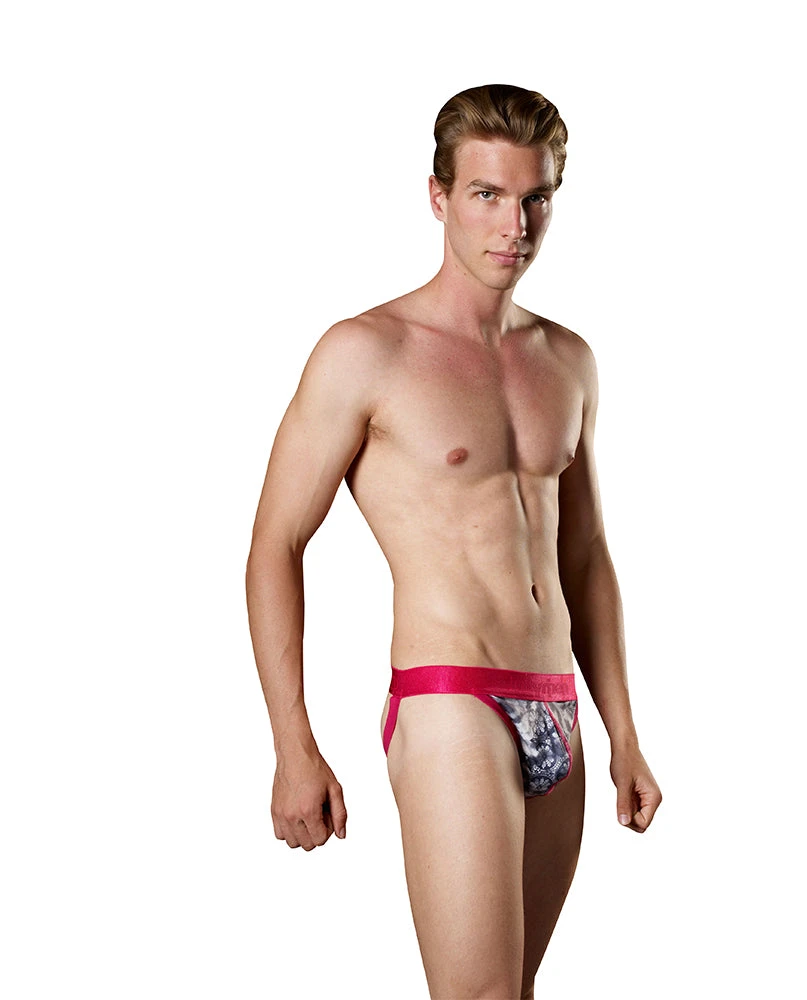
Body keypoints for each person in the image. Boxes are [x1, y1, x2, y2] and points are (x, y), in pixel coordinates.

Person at [246, 83, 661, 999]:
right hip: (451, 699)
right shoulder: (367, 351)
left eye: (535, 197)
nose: (515, 225)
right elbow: (276, 542)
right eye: (487, 194)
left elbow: (584, 557)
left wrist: (624, 733)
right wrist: (292, 743)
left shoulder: (568, 361)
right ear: (438, 197)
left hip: (557, 704)